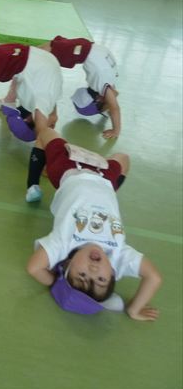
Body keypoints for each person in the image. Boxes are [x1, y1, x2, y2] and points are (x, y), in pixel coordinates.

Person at [26, 127, 162, 321]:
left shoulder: (63, 245)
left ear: (68, 265)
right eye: (101, 279)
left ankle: (32, 186)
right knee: (123, 159)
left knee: (45, 133)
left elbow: (34, 268)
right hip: (104, 179)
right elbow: (154, 277)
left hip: (68, 169)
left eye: (81, 274)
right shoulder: (119, 256)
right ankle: (109, 191)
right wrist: (134, 309)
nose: (93, 270)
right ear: (113, 274)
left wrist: (57, 283)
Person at [0, 36, 121, 139]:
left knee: (31, 57)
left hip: (85, 46)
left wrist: (108, 107)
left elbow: (113, 103)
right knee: (27, 59)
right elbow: (115, 107)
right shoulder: (104, 85)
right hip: (77, 50)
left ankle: (10, 100)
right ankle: (8, 100)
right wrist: (116, 131)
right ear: (98, 99)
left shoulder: (109, 82)